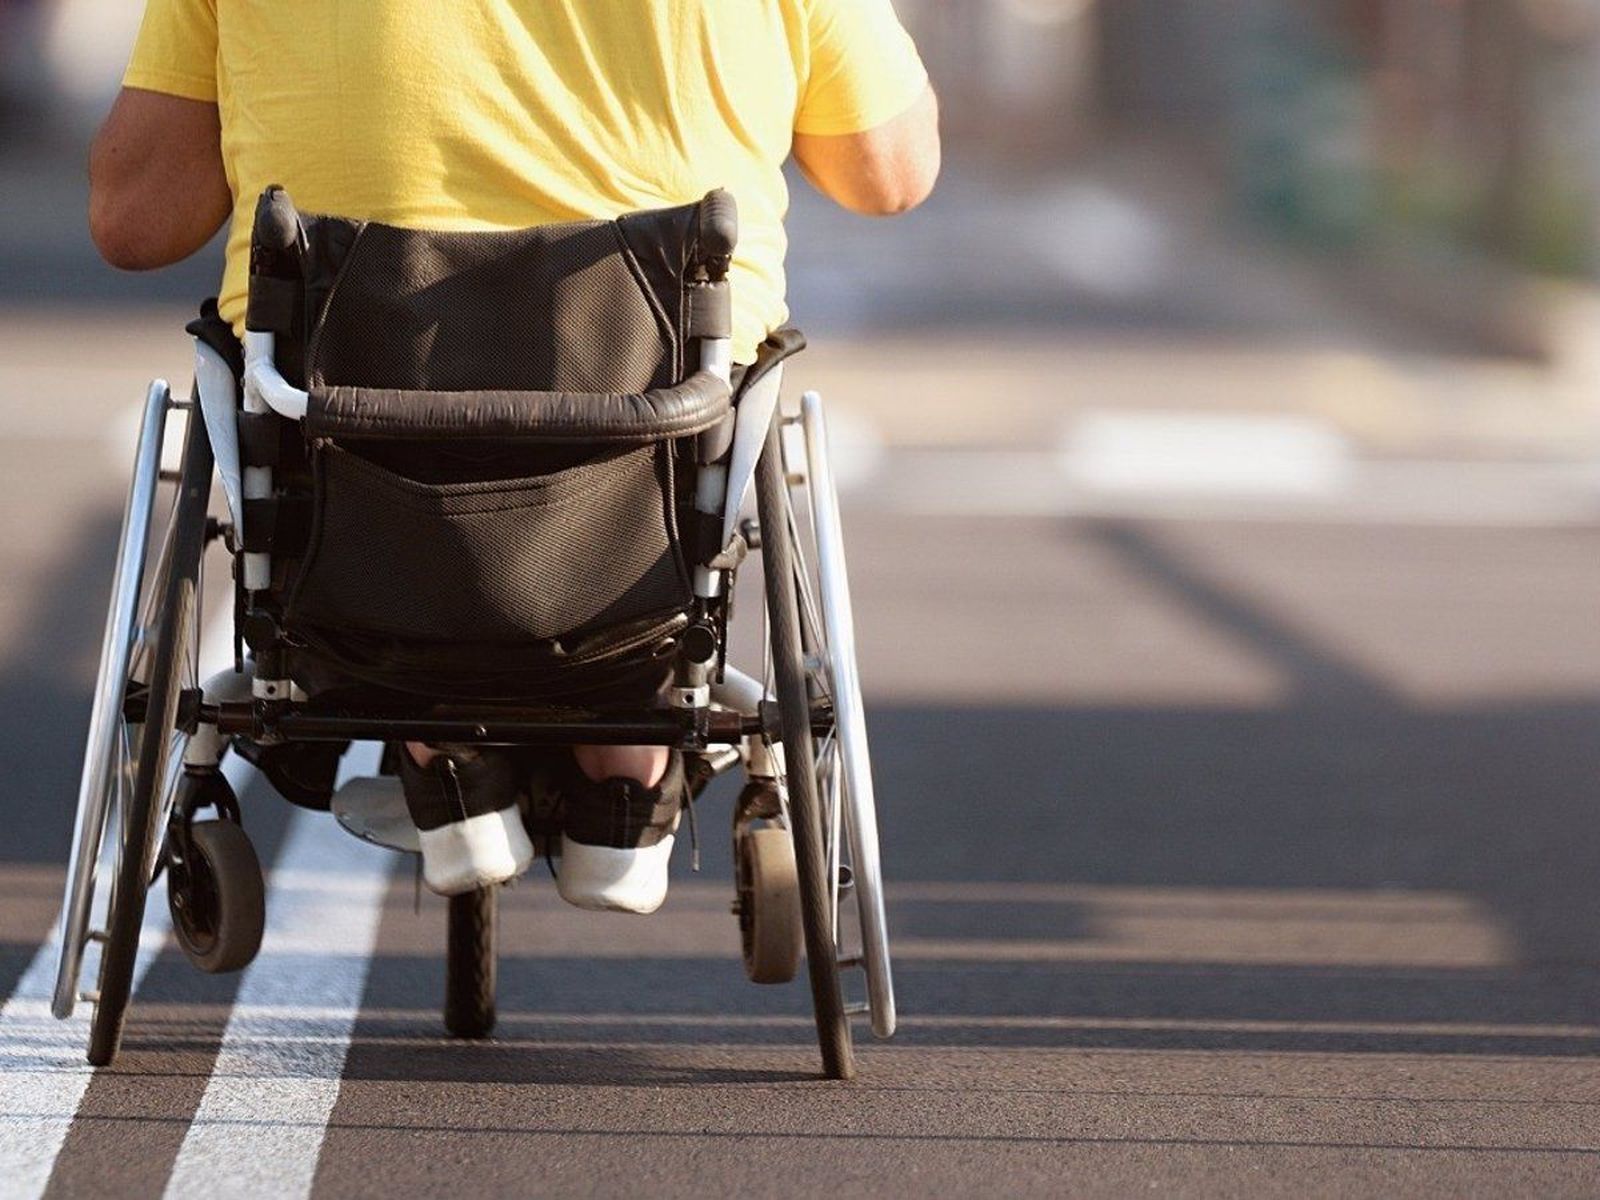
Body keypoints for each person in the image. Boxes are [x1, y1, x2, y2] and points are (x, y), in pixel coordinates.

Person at [89, 0, 940, 911]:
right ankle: (624, 770)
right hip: (655, 448)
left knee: (346, 419)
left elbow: (136, 220)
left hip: (352, 468)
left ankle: (440, 746)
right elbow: (889, 172)